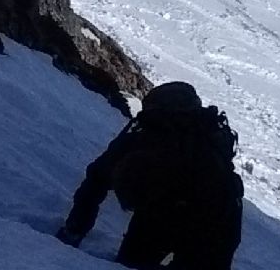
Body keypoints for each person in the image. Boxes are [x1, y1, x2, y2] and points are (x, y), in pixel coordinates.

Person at [54, 82, 243, 270]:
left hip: (208, 216)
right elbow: (97, 180)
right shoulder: (142, 140)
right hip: (202, 214)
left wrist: (74, 230)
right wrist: (75, 227)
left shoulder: (146, 142)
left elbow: (96, 180)